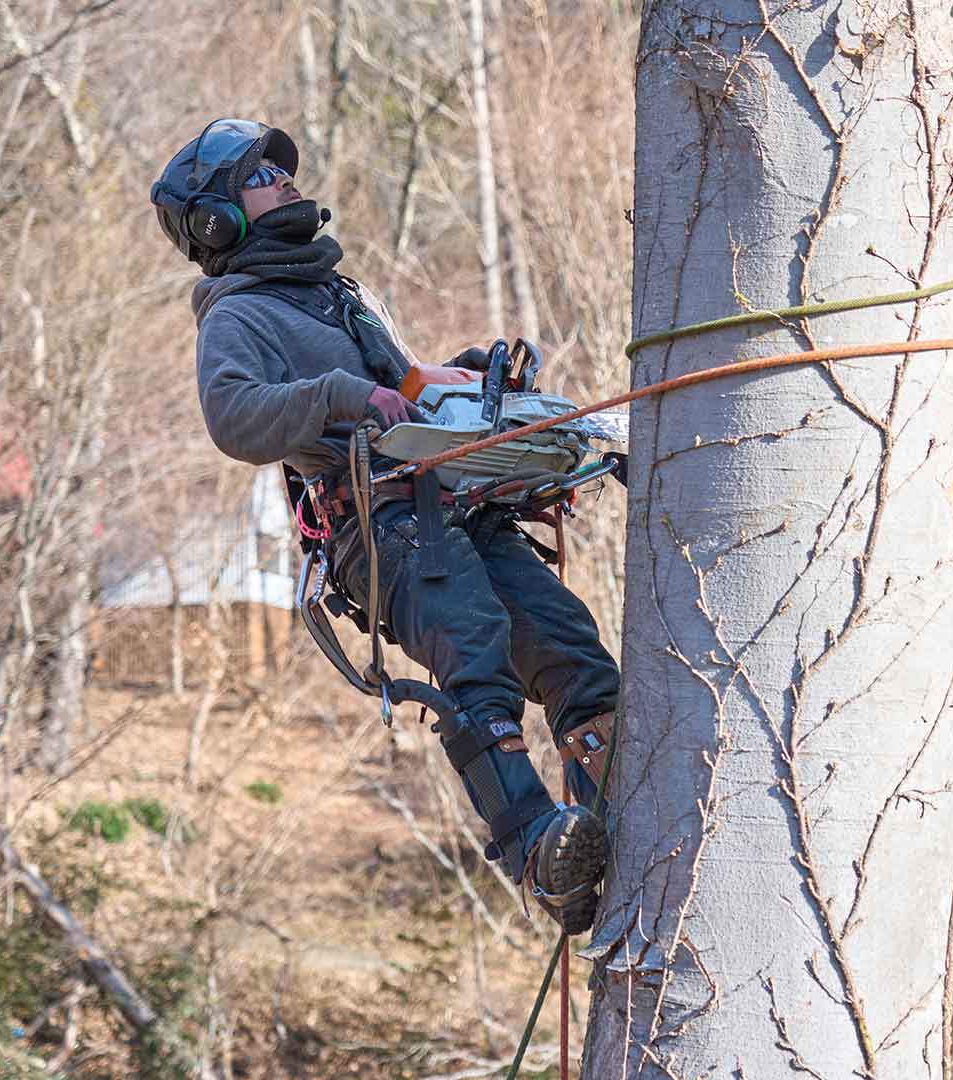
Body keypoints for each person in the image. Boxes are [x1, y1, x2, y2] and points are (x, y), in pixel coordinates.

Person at [149, 118, 614, 933]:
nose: (286, 182)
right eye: (263, 177)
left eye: (281, 172)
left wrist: (471, 381)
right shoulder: (238, 318)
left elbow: (408, 387)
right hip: (379, 524)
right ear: (219, 220)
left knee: (568, 643)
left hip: (454, 502)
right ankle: (540, 851)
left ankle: (614, 809)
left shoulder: (340, 296)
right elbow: (233, 420)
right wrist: (334, 395)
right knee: (473, 648)